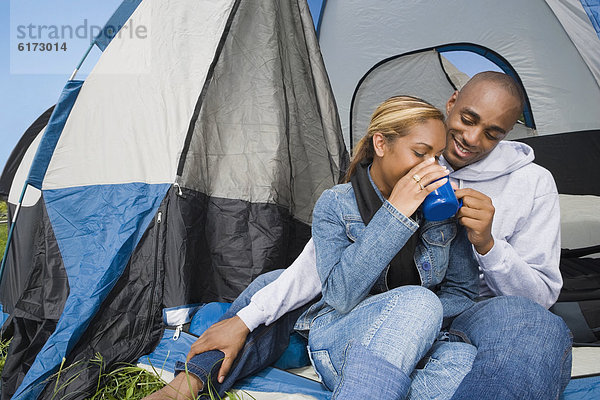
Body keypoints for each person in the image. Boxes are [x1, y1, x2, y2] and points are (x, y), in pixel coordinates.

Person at [145, 72, 572, 399]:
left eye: (493, 133)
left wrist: (488, 245)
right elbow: (319, 275)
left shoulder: (532, 184)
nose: (471, 140)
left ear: (510, 132)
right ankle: (194, 379)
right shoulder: (361, 189)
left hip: (467, 316)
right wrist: (243, 319)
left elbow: (529, 298)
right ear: (451, 103)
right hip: (373, 310)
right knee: (272, 288)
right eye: (466, 120)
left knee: (538, 330)